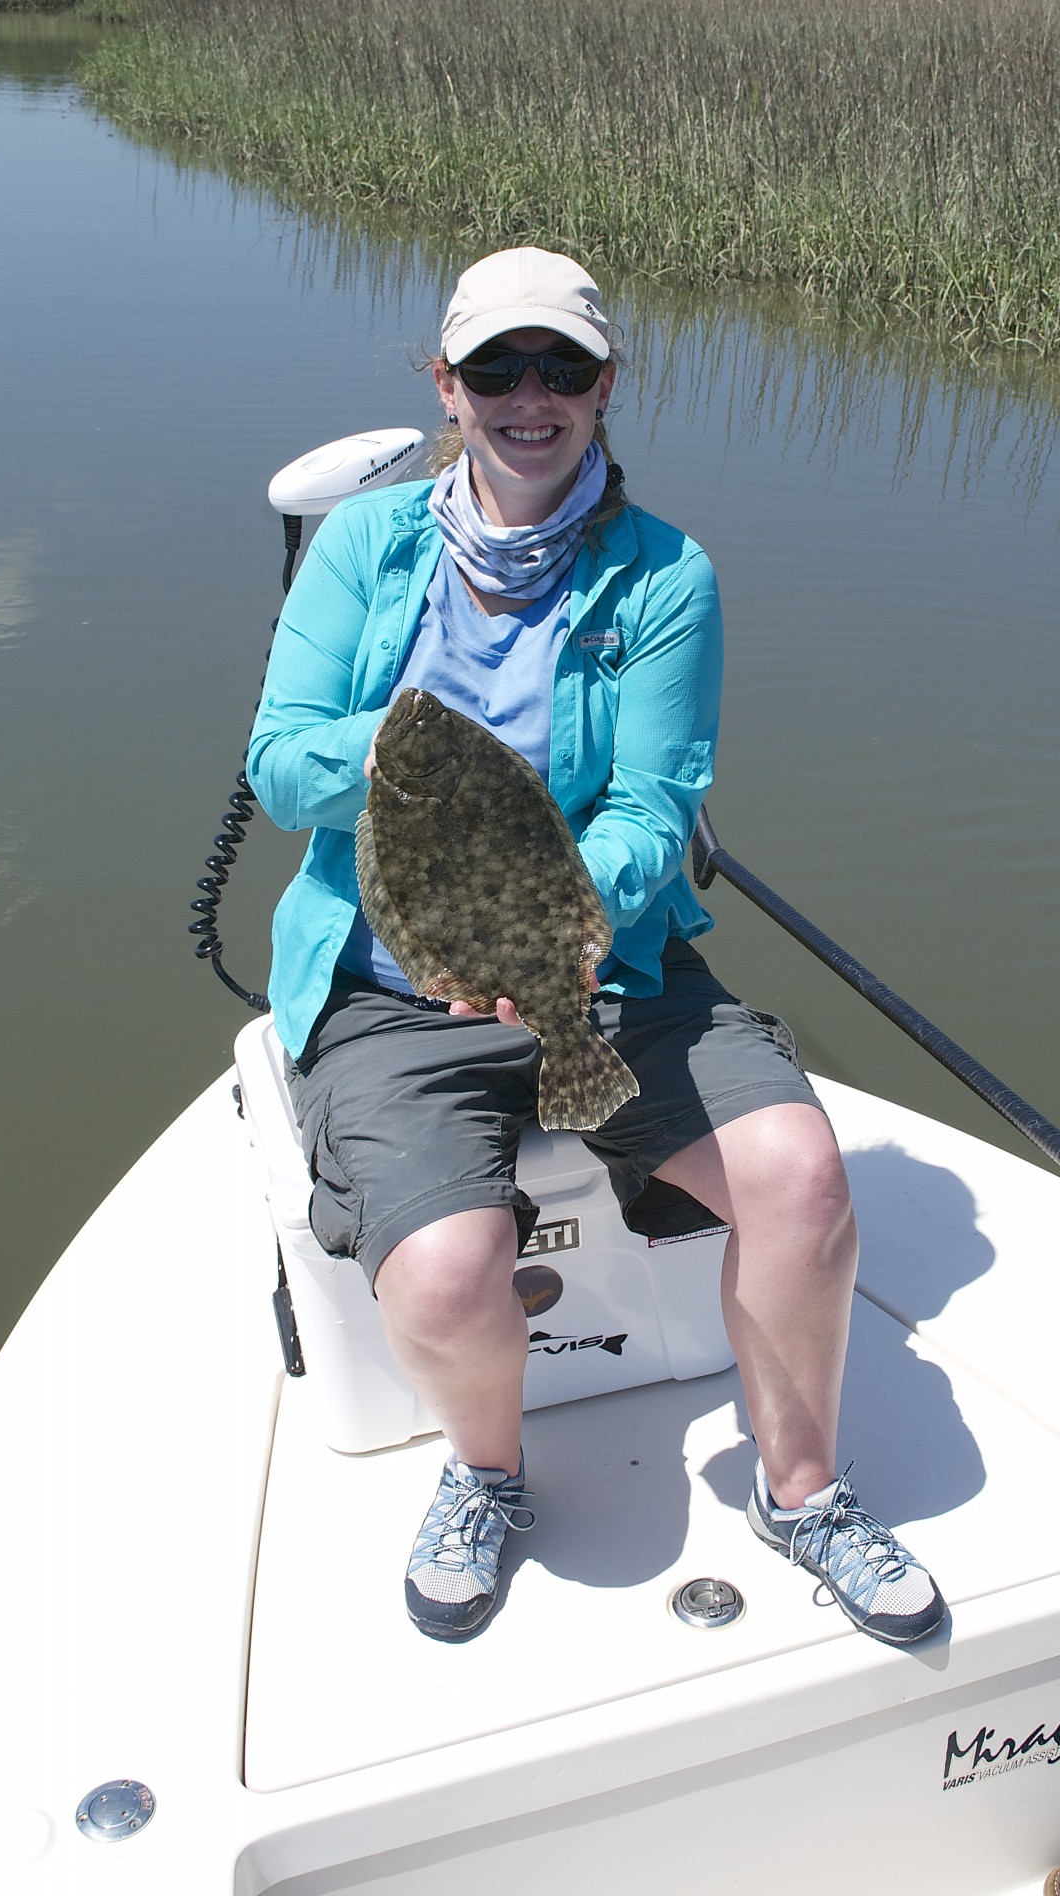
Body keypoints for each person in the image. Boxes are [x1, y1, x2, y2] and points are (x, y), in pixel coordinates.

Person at [248, 246, 947, 1649]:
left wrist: (553, 915)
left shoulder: (663, 577)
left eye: (560, 367)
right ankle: (485, 1474)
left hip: (604, 969)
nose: (528, 396)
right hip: (396, 993)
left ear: (603, 386)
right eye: (495, 367)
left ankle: (802, 1491)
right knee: (447, 1270)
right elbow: (276, 771)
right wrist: (396, 745)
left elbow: (650, 804)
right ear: (445, 388)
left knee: (799, 1177)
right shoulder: (365, 550)